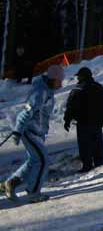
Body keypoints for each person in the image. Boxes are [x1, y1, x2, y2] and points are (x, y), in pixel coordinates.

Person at [3, 65, 64, 202]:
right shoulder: (40, 92)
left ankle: (11, 183)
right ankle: (33, 192)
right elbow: (26, 112)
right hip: (29, 131)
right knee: (43, 161)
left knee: (34, 161)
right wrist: (17, 131)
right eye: (59, 80)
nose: (61, 83)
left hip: (36, 133)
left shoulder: (47, 91)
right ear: (52, 79)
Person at [63, 67, 103, 173]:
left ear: (82, 76)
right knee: (98, 143)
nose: (77, 78)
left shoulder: (78, 89)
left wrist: (67, 120)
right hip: (97, 122)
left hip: (83, 123)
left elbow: (71, 106)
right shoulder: (100, 88)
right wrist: (102, 118)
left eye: (79, 76)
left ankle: (87, 165)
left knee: (85, 144)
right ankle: (99, 163)